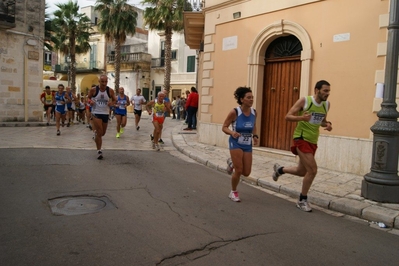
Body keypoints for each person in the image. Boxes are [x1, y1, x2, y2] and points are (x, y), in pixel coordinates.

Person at [272, 80, 332, 212]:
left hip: (313, 140)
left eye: (329, 91)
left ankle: (280, 170)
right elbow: (288, 116)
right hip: (301, 138)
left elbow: (322, 121)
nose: (328, 94)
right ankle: (302, 200)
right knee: (313, 170)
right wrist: (302, 118)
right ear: (317, 90)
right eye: (325, 91)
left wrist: (327, 125)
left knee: (302, 171)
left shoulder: (326, 104)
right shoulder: (305, 101)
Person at [222, 87, 258, 202]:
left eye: (252, 97)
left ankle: (232, 162)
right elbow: (224, 127)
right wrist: (232, 133)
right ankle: (233, 191)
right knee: (239, 170)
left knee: (246, 172)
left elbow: (254, 125)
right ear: (242, 99)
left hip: (247, 144)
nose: (251, 99)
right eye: (248, 97)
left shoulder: (254, 112)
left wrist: (255, 136)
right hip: (236, 143)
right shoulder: (235, 112)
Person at [87, 75, 117, 159]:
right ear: (99, 81)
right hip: (96, 112)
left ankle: (96, 135)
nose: (104, 83)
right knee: (100, 132)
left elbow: (115, 99)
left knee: (103, 133)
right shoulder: (94, 90)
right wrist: (90, 102)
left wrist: (112, 103)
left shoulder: (110, 91)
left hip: (105, 113)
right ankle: (99, 151)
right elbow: (88, 98)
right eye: (102, 81)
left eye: (105, 82)